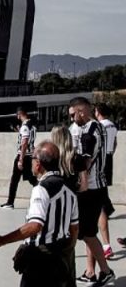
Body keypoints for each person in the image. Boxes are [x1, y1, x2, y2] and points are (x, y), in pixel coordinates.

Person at [0, 141, 78, 287]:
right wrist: (67, 253)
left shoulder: (41, 189)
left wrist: (2, 240)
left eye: (32, 159)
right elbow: (74, 228)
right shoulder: (69, 190)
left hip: (41, 261)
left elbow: (35, 225)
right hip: (61, 258)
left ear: (38, 164)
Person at [67, 97, 114, 286]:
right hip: (95, 186)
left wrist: (82, 185)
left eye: (73, 115)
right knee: (90, 231)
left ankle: (105, 270)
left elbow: (84, 163)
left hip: (92, 188)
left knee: (86, 232)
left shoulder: (91, 131)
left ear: (81, 111)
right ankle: (90, 271)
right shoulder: (90, 128)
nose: (71, 119)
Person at [0, 107, 37, 209]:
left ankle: (10, 202)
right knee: (32, 179)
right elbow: (29, 141)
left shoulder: (24, 127)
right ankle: (42, 194)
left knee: (14, 180)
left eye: (18, 115)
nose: (17, 117)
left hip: (23, 156)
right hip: (29, 156)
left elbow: (24, 143)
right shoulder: (32, 126)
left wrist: (20, 159)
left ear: (20, 114)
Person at [94, 103, 117, 259]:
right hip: (108, 158)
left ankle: (106, 208)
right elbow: (114, 144)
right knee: (104, 188)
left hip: (100, 160)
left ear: (98, 112)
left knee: (99, 192)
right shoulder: (113, 126)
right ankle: (107, 207)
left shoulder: (98, 126)